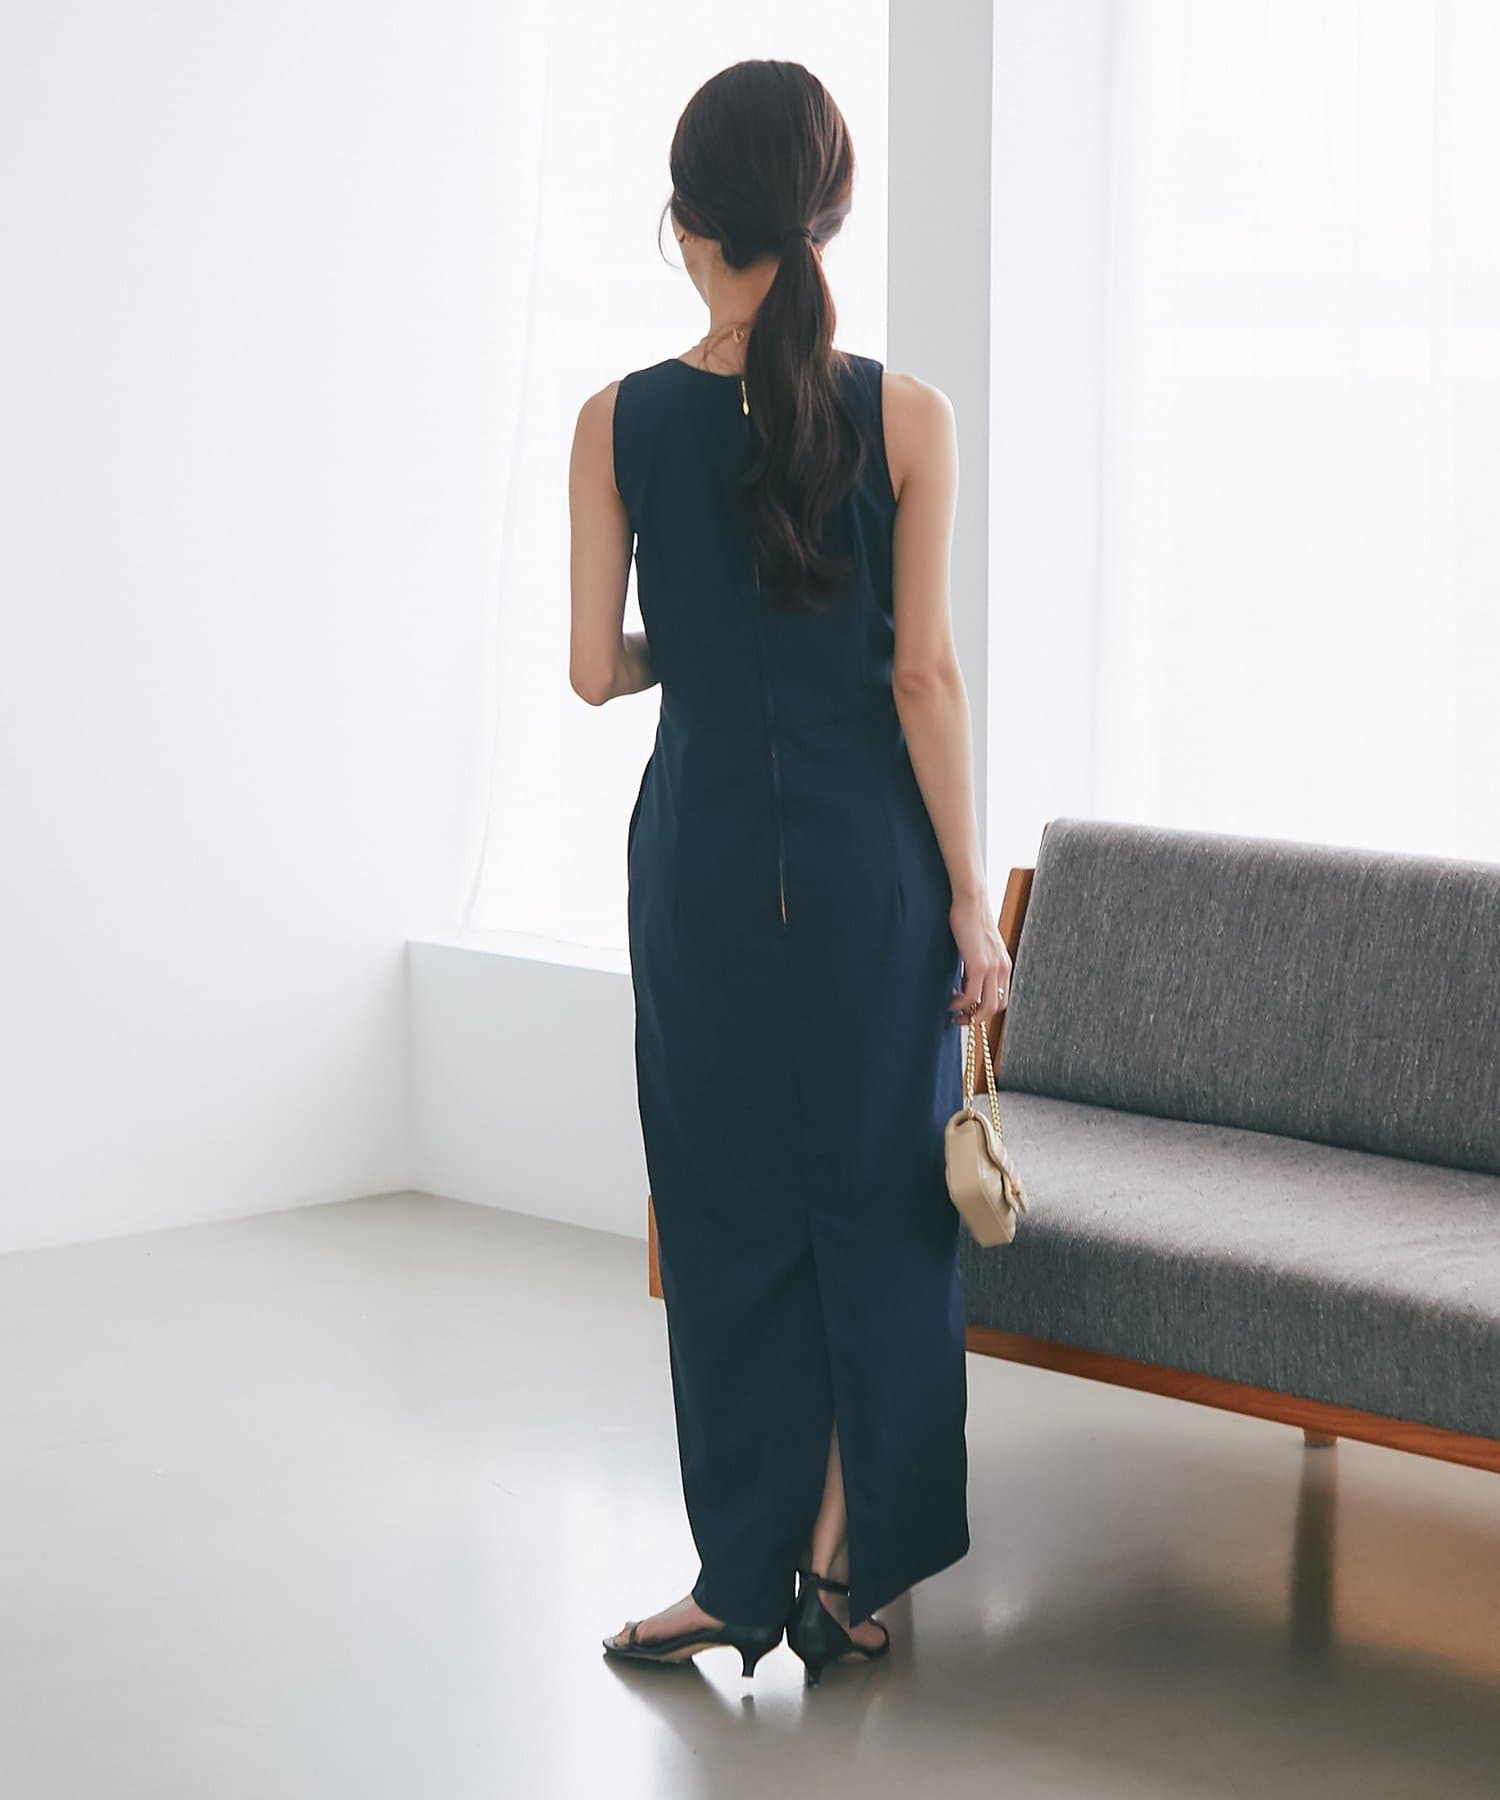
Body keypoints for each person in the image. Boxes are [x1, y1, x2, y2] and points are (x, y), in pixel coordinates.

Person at [569, 58, 1010, 1687]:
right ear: (827, 212)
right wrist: (971, 905)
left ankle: (735, 1577)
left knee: (726, 1216)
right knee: (884, 1214)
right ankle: (846, 1565)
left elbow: (595, 673)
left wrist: (694, 647)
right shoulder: (907, 415)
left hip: (699, 873)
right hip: (869, 876)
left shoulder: (617, 420)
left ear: (687, 219)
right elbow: (923, 679)